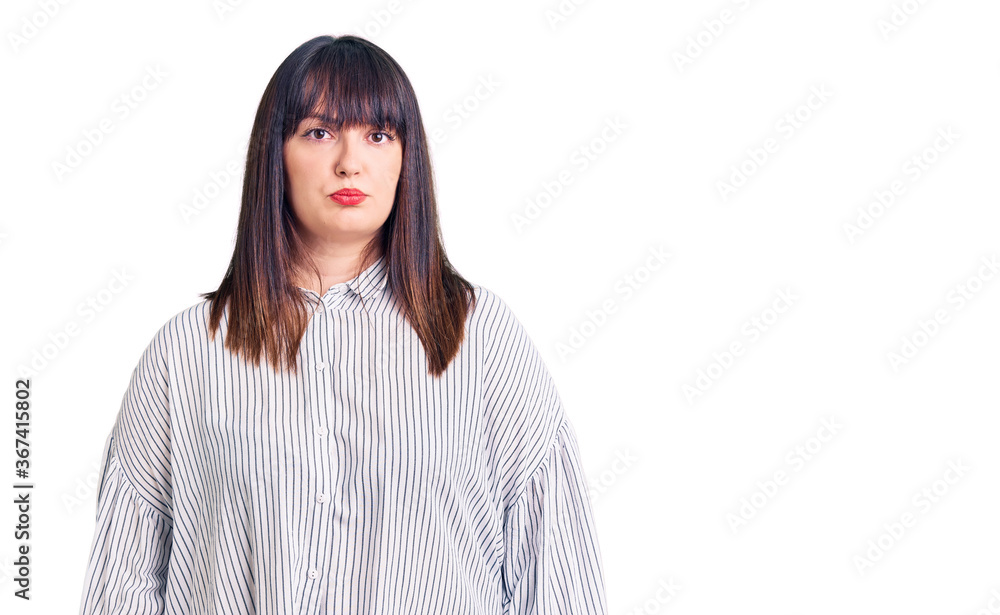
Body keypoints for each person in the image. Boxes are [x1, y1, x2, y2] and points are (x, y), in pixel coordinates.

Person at [77, 34, 609, 614]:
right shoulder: (187, 353)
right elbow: (123, 583)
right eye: (319, 132)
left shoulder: (477, 337)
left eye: (378, 135)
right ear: (273, 154)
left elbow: (554, 571)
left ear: (407, 158)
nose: (349, 161)